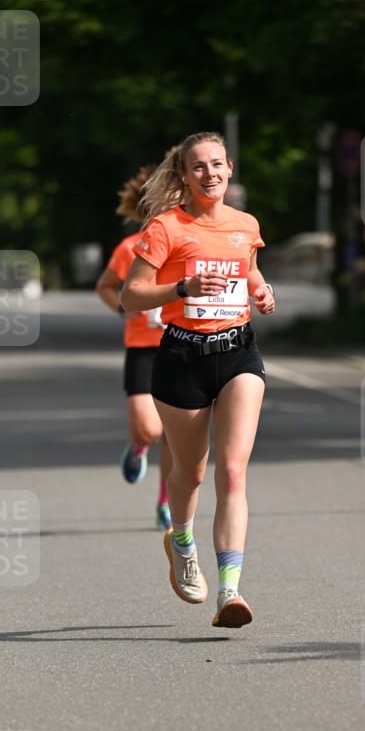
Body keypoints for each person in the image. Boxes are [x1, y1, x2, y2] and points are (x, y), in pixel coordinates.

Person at [121, 131, 275, 628]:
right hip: (183, 358)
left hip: (238, 353)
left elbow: (248, 270)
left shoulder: (245, 224)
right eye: (198, 167)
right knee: (190, 473)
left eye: (217, 164)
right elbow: (131, 295)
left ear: (230, 168)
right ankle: (181, 540)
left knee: (233, 471)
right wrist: (182, 287)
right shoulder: (166, 227)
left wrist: (262, 290)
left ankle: (230, 592)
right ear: (184, 176)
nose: (210, 174)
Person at [96, 167, 172, 531]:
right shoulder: (129, 249)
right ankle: (139, 447)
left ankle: (166, 503)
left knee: (176, 433)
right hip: (142, 348)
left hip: (182, 345)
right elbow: (106, 286)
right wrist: (123, 307)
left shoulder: (189, 242)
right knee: (150, 430)